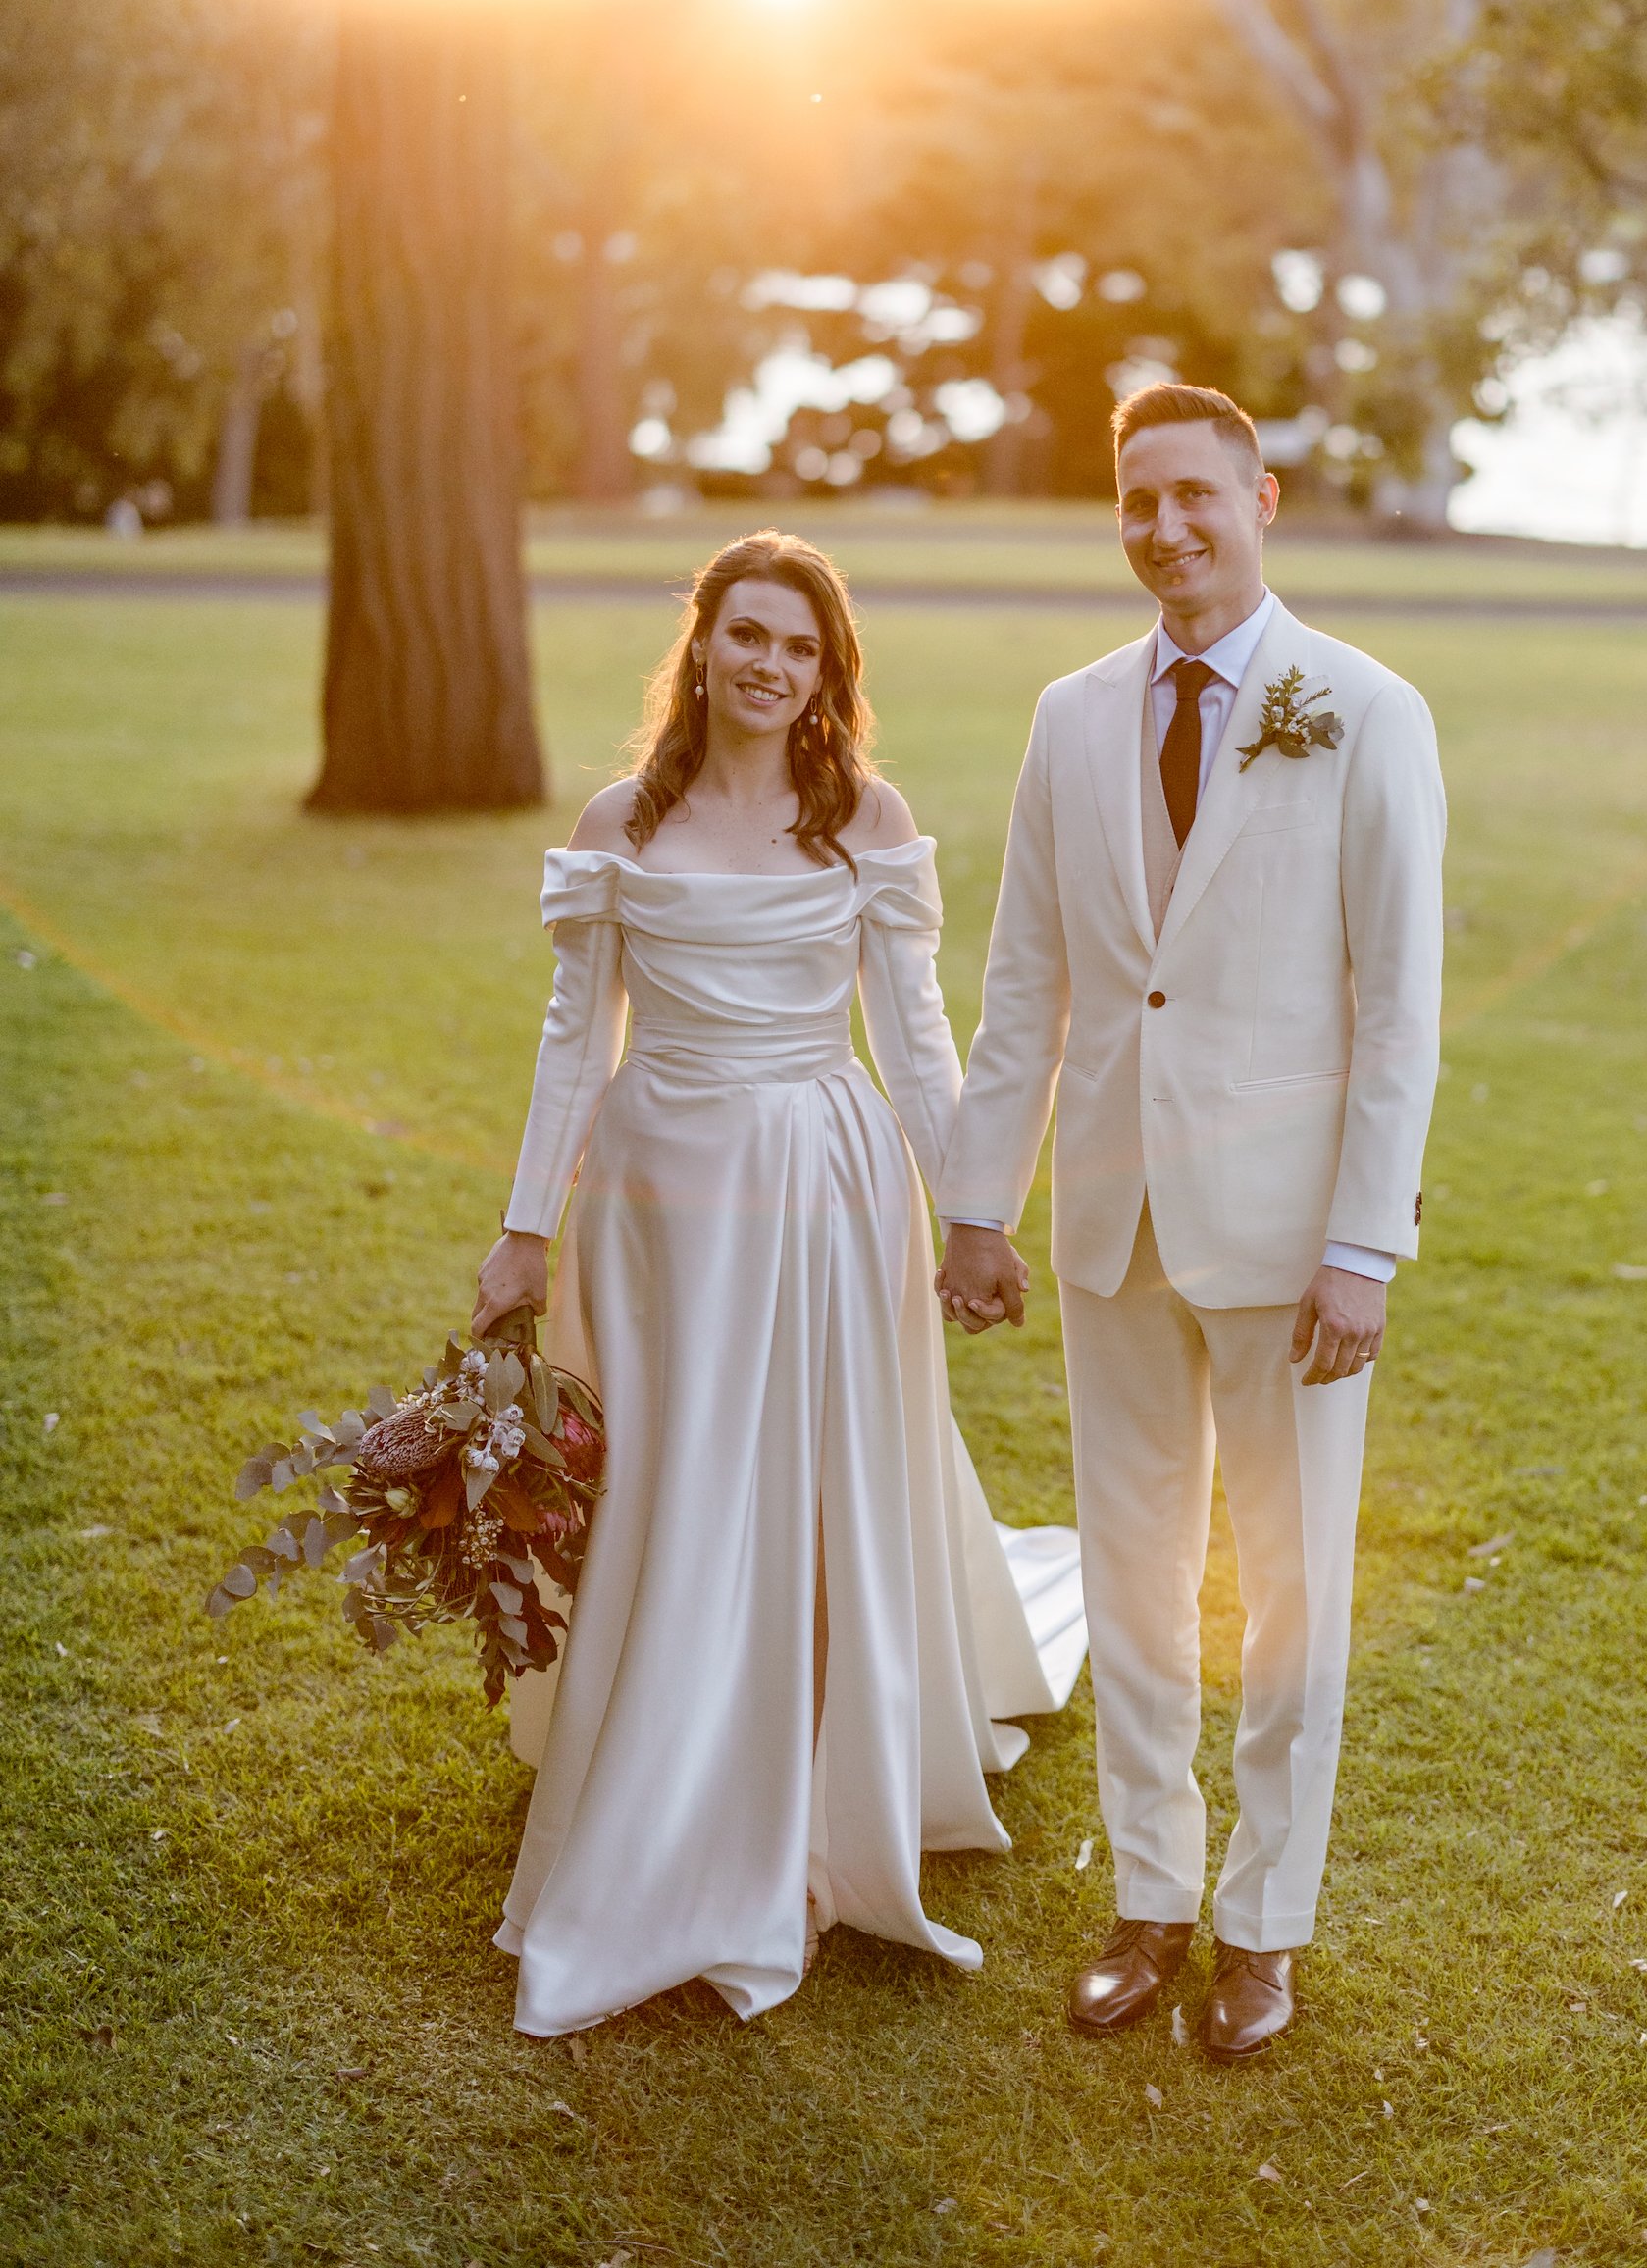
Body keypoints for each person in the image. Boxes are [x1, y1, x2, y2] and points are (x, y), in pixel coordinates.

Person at [474, 532, 1084, 2038]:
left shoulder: (859, 817)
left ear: (828, 675)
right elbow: (574, 1040)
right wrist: (523, 1227)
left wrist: (973, 1216)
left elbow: (917, 1035)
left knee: (806, 1468)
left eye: (800, 648)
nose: (769, 664)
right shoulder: (624, 817)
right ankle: (659, 1750)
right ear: (700, 648)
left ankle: (815, 1755)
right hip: (654, 1199)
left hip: (819, 1185)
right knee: (672, 1469)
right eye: (746, 635)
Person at [935, 384, 1446, 2063]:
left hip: (1294, 1242)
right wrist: (976, 1205)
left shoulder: (1364, 712)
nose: (1166, 528)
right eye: (1138, 499)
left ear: (1262, 496)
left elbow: (1398, 1010)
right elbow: (1028, 984)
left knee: (1292, 1589)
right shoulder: (1073, 718)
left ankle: (1266, 1926)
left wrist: (1367, 1243)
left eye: (1195, 497)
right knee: (1138, 1573)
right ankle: (1150, 1895)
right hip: (1111, 1223)